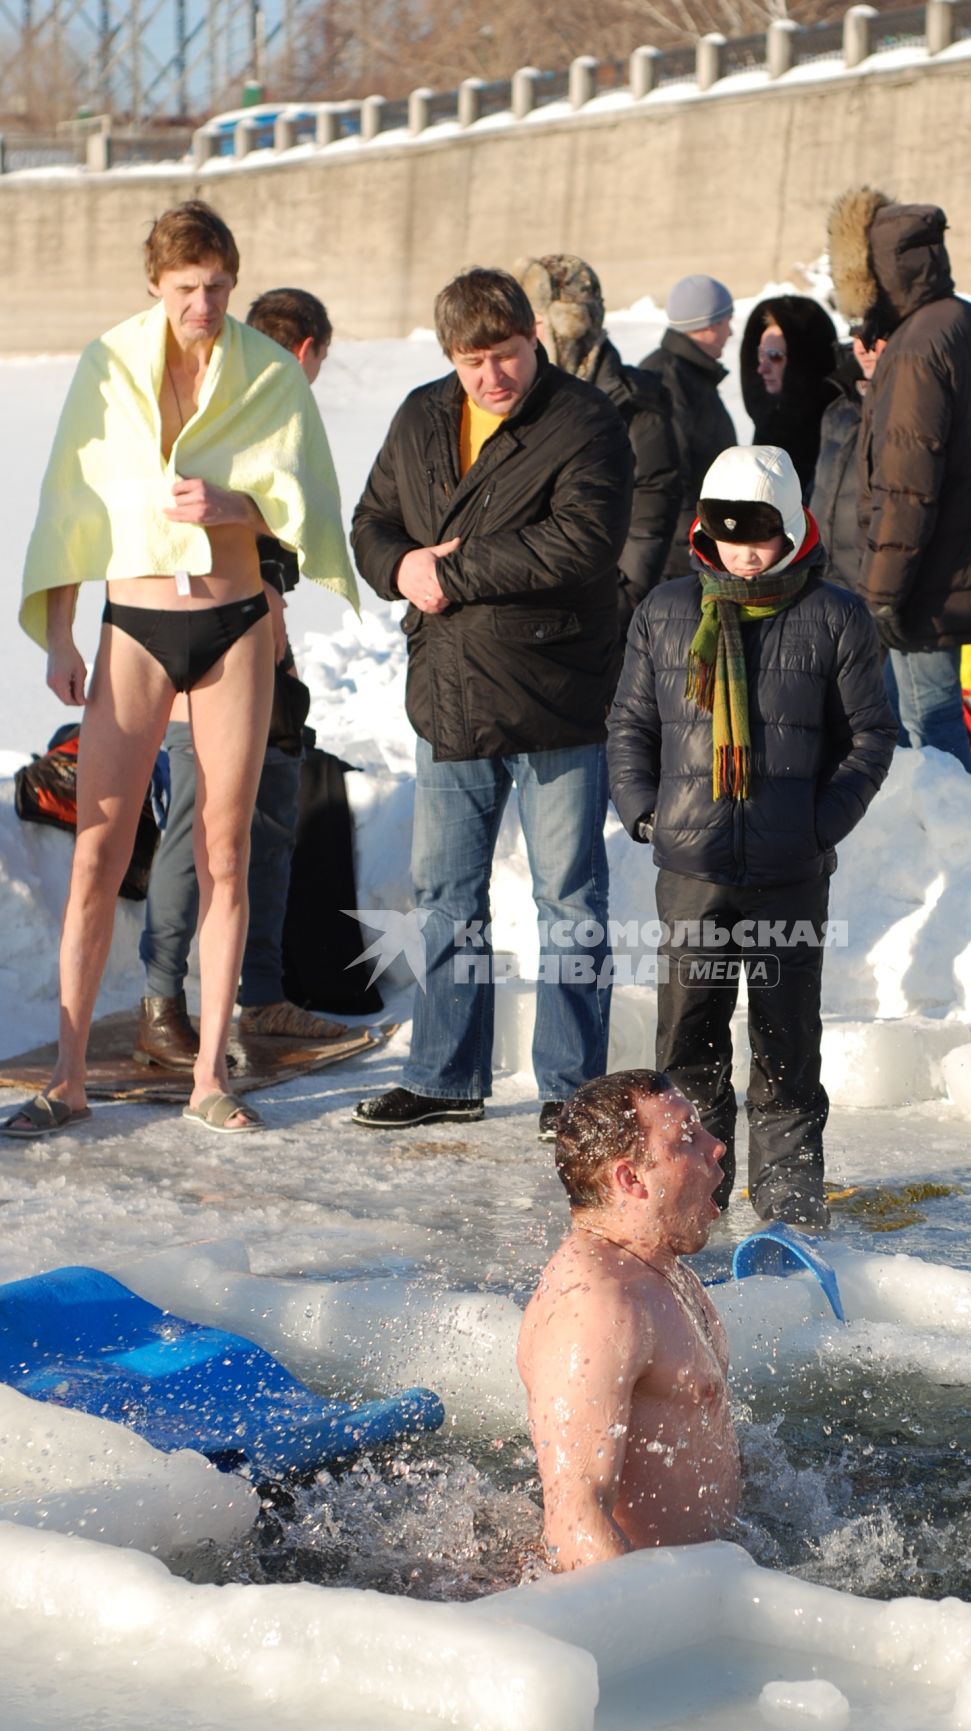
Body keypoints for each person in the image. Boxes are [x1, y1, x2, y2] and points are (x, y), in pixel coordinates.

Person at [6, 200, 357, 1138]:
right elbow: (68, 502)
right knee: (99, 850)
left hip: (233, 625)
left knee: (225, 853)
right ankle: (70, 1076)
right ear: (155, 287)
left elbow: (303, 502)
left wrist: (235, 502)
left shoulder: (270, 372)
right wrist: (61, 635)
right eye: (186, 289)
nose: (203, 304)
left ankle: (208, 1075)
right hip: (137, 622)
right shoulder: (110, 366)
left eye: (217, 287)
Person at [350, 268, 633, 1140]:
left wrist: (452, 568)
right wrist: (399, 567)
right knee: (445, 895)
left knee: (571, 900)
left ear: (533, 338)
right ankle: (443, 1074)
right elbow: (372, 521)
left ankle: (573, 1087)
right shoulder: (421, 417)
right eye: (471, 361)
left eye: (504, 355)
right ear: (449, 357)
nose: (490, 377)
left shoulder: (584, 422)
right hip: (451, 696)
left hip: (555, 697)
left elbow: (585, 541)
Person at [608, 444, 896, 1228]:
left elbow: (871, 737)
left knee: (786, 1051)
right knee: (689, 1050)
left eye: (760, 535)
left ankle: (790, 1214)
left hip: (789, 872)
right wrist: (644, 811)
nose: (743, 553)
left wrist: (816, 824)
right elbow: (630, 724)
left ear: (794, 525)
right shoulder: (667, 613)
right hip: (692, 870)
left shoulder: (834, 616)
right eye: (728, 534)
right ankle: (687, 1210)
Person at [135, 286, 350, 1069]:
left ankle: (258, 994)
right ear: (306, 353)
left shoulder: (265, 413)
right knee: (195, 824)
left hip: (266, 660)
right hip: (209, 647)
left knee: (270, 819)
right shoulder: (216, 414)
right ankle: (163, 1001)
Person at [828, 188, 971, 773]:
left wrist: (886, 592)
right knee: (911, 717)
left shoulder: (916, 350)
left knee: (929, 723)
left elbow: (905, 486)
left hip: (925, 578)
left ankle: (960, 848)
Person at [516, 1069, 738, 1570]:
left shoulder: (660, 1268)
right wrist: (668, 1635)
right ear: (630, 1179)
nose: (717, 1146)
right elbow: (574, 1524)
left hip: (708, 1576)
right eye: (687, 1137)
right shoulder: (595, 1306)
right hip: (650, 1599)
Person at [518, 253, 681, 633]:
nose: (531, 337)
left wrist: (621, 599)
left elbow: (652, 509)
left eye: (540, 325)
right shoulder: (514, 401)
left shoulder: (635, 403)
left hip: (601, 615)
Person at [641, 274, 737, 579]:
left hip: (693, 540)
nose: (730, 332)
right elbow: (669, 469)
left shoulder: (689, 374)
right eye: (726, 322)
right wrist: (694, 542)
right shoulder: (671, 379)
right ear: (708, 325)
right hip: (681, 551)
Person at [738, 294, 837, 491]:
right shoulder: (767, 428)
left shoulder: (836, 428)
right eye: (760, 354)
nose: (762, 369)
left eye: (775, 356)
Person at [809, 334, 882, 594]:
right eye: (856, 336)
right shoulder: (837, 411)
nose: (861, 348)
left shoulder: (905, 412)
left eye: (872, 335)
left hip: (871, 587)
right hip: (824, 580)